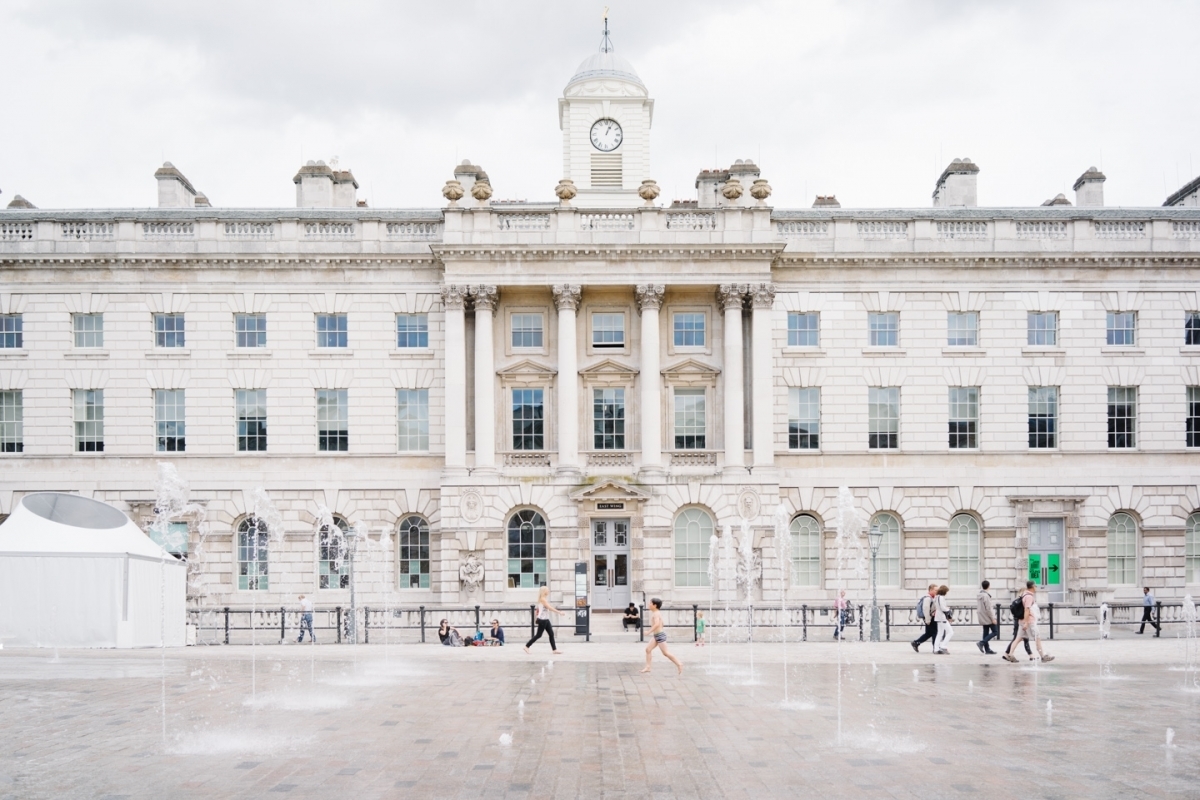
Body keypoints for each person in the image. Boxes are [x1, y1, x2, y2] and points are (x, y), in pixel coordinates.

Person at [1004, 580, 1054, 663]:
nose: (1036, 588)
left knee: (1018, 638)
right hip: (1029, 621)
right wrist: (1026, 623)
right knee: (1037, 637)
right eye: (1035, 586)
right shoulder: (1029, 597)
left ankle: (1010, 654)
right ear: (1032, 586)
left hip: (1021, 621)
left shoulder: (1024, 594)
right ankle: (1043, 656)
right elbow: (1027, 609)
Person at [641, 598, 683, 675]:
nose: (648, 604)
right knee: (648, 649)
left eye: (650, 603)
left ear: (655, 605)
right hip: (656, 635)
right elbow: (662, 623)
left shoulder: (656, 613)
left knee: (665, 653)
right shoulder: (656, 613)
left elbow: (657, 624)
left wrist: (648, 632)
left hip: (660, 635)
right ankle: (648, 667)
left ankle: (679, 664)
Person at [524, 585, 566, 654]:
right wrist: (559, 612)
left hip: (546, 619)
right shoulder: (542, 599)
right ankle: (527, 646)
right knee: (539, 635)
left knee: (551, 634)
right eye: (547, 590)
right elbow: (549, 607)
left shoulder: (543, 599)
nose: (548, 591)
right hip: (542, 620)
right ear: (544, 591)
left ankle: (554, 650)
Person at [911, 584, 939, 652]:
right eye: (935, 590)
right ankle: (935, 648)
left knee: (929, 633)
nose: (937, 591)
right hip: (930, 618)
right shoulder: (927, 598)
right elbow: (926, 609)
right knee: (934, 633)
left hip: (931, 618)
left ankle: (916, 643)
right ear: (931, 590)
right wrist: (928, 620)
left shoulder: (932, 598)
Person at [976, 580, 999, 654]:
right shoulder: (986, 596)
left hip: (982, 615)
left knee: (985, 632)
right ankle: (981, 643)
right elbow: (988, 608)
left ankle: (987, 649)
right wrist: (993, 618)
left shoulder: (980, 595)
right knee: (995, 631)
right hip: (987, 616)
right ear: (988, 586)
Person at [934, 585, 954, 654]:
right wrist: (948, 609)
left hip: (938, 617)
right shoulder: (941, 597)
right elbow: (942, 608)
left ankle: (936, 649)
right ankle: (943, 646)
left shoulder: (936, 597)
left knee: (940, 633)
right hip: (942, 617)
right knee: (950, 632)